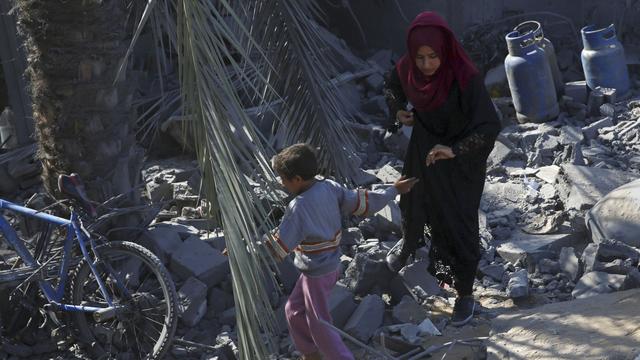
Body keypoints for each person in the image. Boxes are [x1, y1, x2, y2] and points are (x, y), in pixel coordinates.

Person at [383, 11, 501, 327]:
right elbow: (392, 84)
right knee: (413, 199)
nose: (426, 64)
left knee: (458, 224)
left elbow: (490, 126)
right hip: (424, 147)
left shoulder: (465, 77)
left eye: (433, 56)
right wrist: (398, 111)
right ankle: (412, 245)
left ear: (445, 51)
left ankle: (463, 293)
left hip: (461, 158)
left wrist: (454, 150)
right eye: (420, 57)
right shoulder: (408, 68)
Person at [266, 143, 418, 360]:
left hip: (317, 272)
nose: (281, 183)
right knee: (293, 311)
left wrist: (243, 251)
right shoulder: (329, 186)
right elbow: (363, 201)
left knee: (320, 325)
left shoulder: (298, 207)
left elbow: (280, 244)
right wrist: (393, 189)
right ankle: (311, 354)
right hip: (327, 267)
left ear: (297, 179)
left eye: (283, 178)